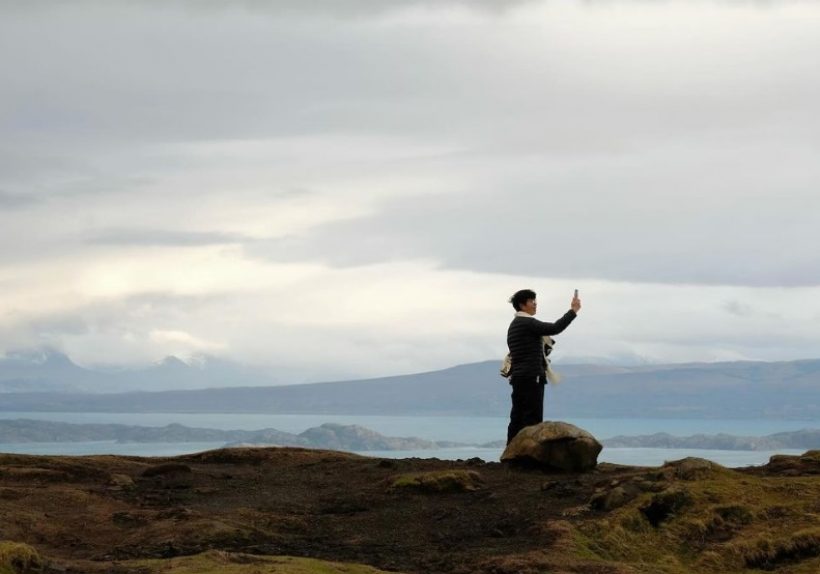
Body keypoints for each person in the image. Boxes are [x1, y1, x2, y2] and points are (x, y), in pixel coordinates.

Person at [506, 289, 581, 444]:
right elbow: (555, 328)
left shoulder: (514, 325)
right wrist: (573, 311)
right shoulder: (527, 323)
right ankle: (528, 459)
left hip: (519, 378)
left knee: (517, 418)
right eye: (532, 301)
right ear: (522, 304)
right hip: (532, 377)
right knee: (532, 420)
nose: (535, 304)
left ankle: (511, 455)